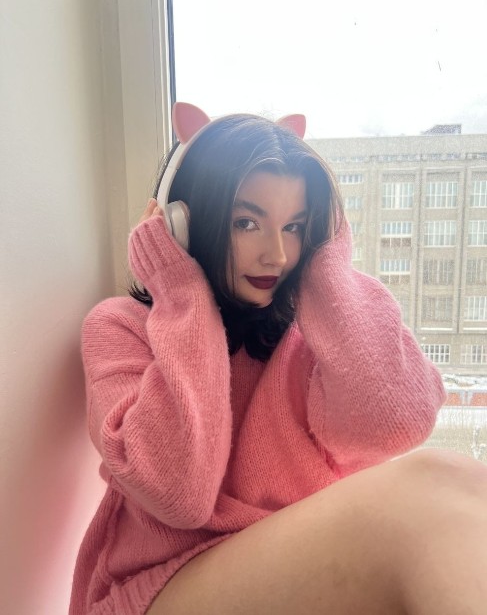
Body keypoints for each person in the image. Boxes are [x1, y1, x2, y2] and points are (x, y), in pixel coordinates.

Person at [70, 103, 487, 615]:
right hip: (158, 590)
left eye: (295, 227)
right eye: (247, 223)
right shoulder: (120, 328)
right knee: (433, 491)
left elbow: (393, 423)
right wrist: (182, 295)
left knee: (469, 487)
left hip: (297, 581)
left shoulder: (315, 337)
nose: (278, 255)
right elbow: (179, 494)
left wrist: (325, 265)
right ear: (180, 224)